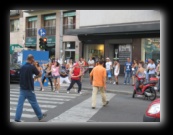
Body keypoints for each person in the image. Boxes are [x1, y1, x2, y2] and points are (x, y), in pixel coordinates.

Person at [14, 54, 47, 122]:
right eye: (33, 59)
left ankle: (17, 118)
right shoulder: (32, 67)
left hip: (22, 88)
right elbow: (40, 74)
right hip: (29, 89)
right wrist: (35, 65)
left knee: (20, 104)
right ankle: (40, 116)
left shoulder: (22, 67)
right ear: (32, 59)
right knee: (34, 103)